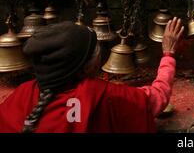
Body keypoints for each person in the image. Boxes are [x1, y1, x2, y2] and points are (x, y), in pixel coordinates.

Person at [0, 17, 184, 133]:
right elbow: (158, 97)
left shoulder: (21, 96)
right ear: (85, 67)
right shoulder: (104, 96)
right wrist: (168, 53)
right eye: (95, 52)